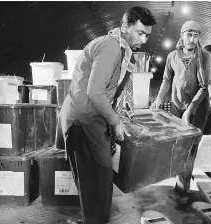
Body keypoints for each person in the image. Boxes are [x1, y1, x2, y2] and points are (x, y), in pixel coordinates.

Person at [55, 6, 156, 224]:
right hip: (83, 120)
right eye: (140, 33)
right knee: (94, 180)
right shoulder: (110, 47)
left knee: (100, 178)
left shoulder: (123, 51)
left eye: (147, 35)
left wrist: (118, 116)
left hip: (94, 118)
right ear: (125, 26)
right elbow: (95, 92)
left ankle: (97, 219)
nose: (144, 40)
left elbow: (112, 92)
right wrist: (116, 122)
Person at [150, 21, 211, 207]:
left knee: (190, 147)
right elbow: (167, 80)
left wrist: (190, 111)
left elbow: (203, 87)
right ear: (182, 35)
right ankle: (182, 180)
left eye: (196, 35)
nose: (192, 39)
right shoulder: (172, 56)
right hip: (177, 106)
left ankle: (183, 188)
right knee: (179, 146)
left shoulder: (204, 57)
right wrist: (159, 99)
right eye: (189, 35)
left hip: (197, 109)